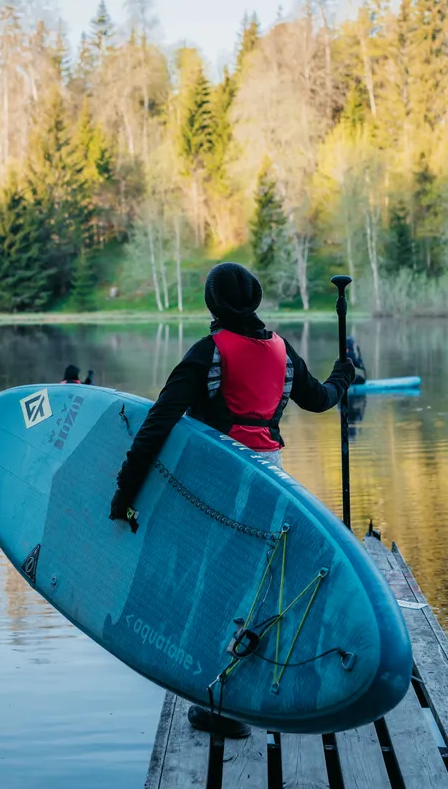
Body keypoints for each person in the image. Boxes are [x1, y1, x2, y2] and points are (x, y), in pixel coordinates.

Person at [109, 261, 355, 737]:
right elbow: (321, 399)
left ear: (213, 304)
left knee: (212, 585)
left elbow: (157, 423)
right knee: (250, 583)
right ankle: (242, 697)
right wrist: (342, 377)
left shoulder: (210, 352)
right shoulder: (281, 351)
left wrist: (125, 491)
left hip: (221, 481)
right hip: (271, 480)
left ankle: (220, 707)